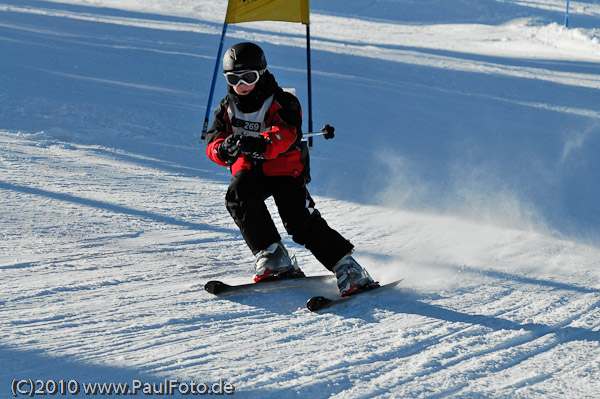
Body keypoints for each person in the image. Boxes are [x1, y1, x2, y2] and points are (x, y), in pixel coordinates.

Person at [205, 42, 375, 296]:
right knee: (238, 195)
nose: (242, 85)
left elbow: (287, 132)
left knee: (299, 221)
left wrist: (262, 143)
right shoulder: (226, 107)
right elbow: (214, 139)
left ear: (261, 74)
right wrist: (222, 149)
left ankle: (349, 269)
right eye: (234, 79)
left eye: (248, 77)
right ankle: (273, 256)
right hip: (251, 170)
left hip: (284, 170)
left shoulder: (283, 100)